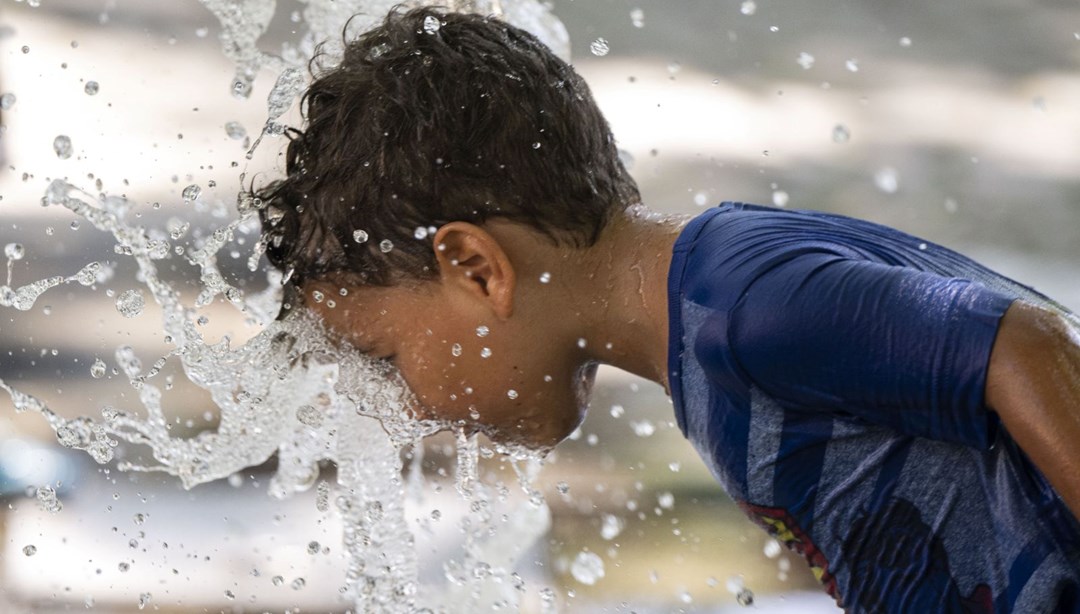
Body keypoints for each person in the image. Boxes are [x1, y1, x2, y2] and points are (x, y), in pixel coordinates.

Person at [255, 6, 1080, 612]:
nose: (406, 406)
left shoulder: (740, 307)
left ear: (475, 268)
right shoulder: (707, 332)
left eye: (389, 358)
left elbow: (1027, 345)